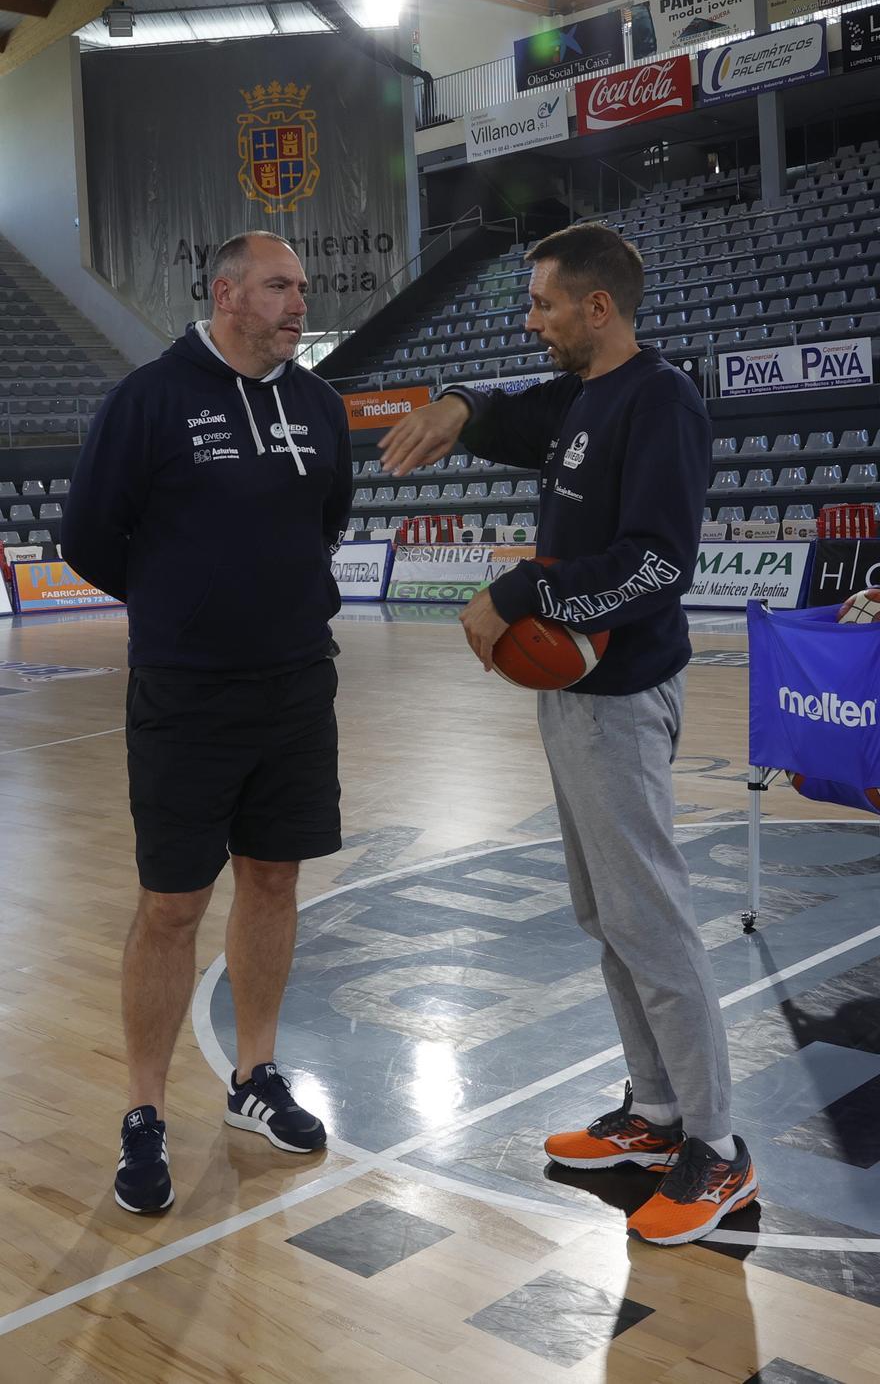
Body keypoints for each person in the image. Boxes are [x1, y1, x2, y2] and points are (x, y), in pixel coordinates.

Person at [380, 222, 757, 1247]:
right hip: (577, 702)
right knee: (604, 912)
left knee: (651, 918)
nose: (531, 320)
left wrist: (524, 587)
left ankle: (717, 1147)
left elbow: (657, 566)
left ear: (598, 308)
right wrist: (456, 401)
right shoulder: (579, 396)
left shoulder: (660, 401)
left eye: (544, 304)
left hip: (625, 696)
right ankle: (655, 1110)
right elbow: (500, 409)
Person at [62, 231, 352, 1214]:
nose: (296, 303)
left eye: (302, 288)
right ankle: (143, 1112)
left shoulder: (318, 405)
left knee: (272, 882)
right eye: (279, 286)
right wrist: (180, 604)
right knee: (173, 906)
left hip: (297, 688)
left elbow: (327, 521)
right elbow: (90, 534)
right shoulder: (149, 399)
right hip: (187, 696)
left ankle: (254, 1079)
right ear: (226, 293)